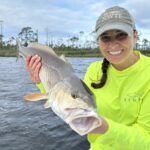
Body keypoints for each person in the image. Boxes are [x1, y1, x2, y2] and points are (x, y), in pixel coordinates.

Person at [26, 6, 150, 150]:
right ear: (98, 41)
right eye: (105, 38)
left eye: (121, 35)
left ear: (135, 35)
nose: (114, 44)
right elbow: (67, 97)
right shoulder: (94, 69)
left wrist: (105, 128)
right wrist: (40, 81)